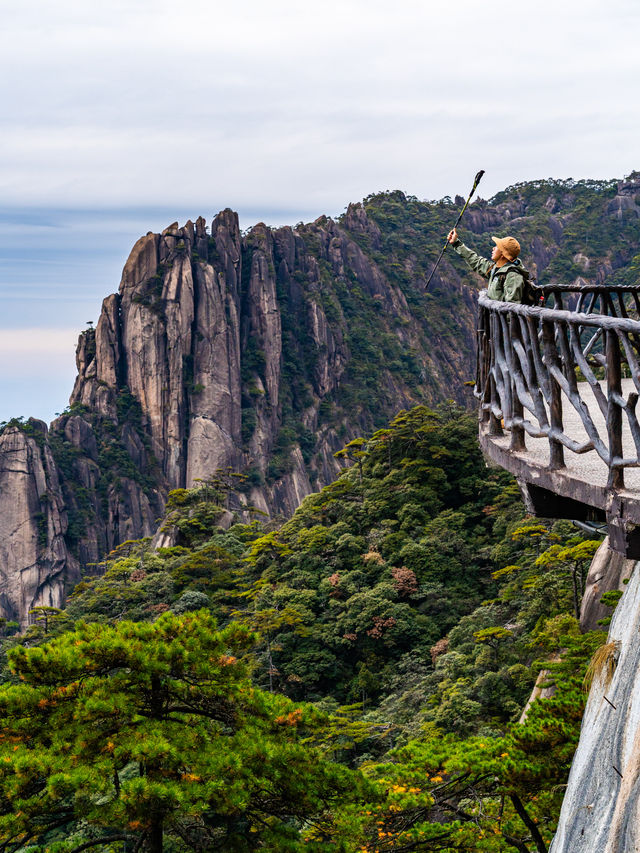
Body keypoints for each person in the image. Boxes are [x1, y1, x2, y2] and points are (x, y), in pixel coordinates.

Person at [446, 228, 528, 303]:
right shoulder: (497, 269)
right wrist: (456, 243)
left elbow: (512, 309)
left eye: (497, 247)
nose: (493, 248)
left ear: (503, 254)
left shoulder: (513, 276)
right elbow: (476, 261)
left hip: (499, 319)